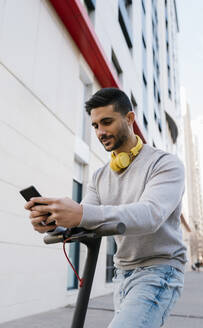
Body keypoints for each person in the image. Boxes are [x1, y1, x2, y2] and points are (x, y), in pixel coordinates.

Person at [25, 88, 187, 328]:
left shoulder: (165, 164)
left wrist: (80, 213)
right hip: (122, 276)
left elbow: (150, 215)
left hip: (159, 271)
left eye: (107, 122)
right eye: (95, 125)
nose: (100, 132)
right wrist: (54, 223)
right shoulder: (100, 177)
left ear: (129, 119)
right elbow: (85, 218)